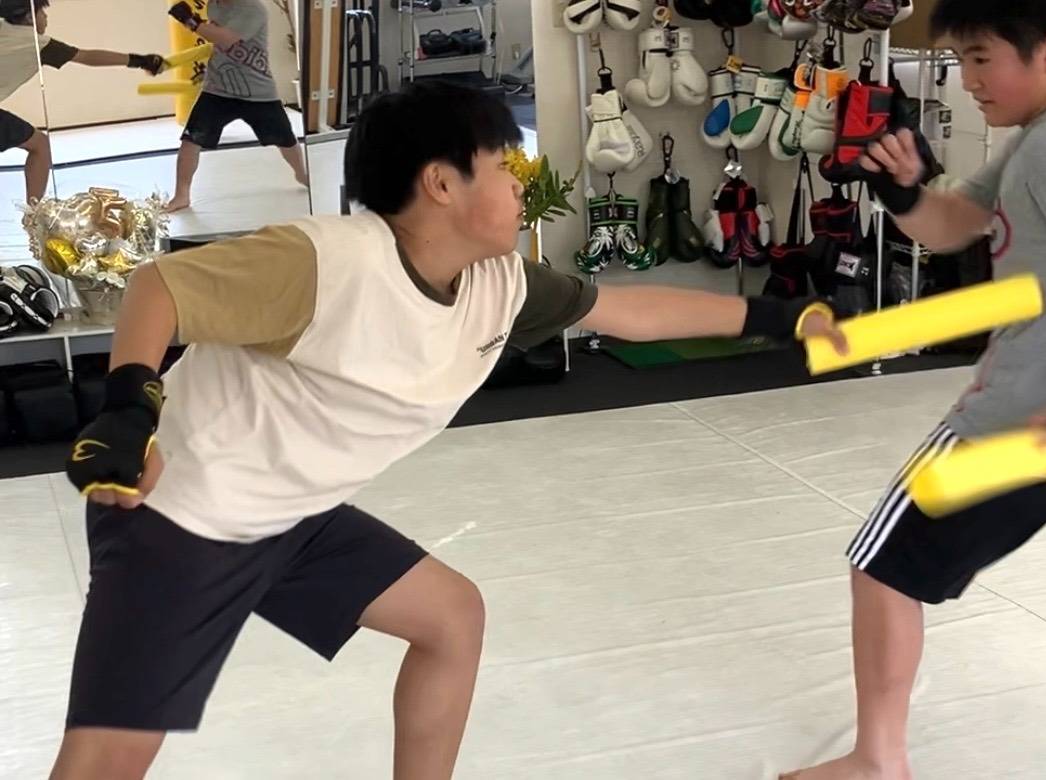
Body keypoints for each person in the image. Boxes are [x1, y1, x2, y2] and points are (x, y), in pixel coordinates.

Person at [50, 80, 846, 779]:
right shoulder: (326, 263)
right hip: (180, 515)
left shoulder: (498, 284)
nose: (521, 182)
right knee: (106, 763)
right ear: (440, 182)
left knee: (450, 618)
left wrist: (779, 318)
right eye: (504, 165)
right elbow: (161, 286)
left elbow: (631, 312)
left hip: (290, 516)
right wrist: (128, 407)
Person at [783, 1, 1046, 778]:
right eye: (960, 60)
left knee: (882, 564)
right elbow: (954, 222)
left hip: (1029, 431)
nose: (969, 80)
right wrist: (904, 188)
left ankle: (877, 763)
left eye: (982, 58)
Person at [0, 0, 163, 203]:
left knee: (39, 143)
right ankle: (33, 213)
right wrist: (140, 61)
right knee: (40, 145)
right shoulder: (38, 44)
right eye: (42, 12)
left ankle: (33, 212)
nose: (46, 17)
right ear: (29, 17)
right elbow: (88, 57)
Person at [163, 0, 308, 211]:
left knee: (285, 139)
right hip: (217, 89)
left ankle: (302, 174)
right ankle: (182, 195)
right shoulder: (215, 5)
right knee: (190, 140)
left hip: (258, 92)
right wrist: (196, 23)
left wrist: (191, 22)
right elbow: (215, 34)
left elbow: (226, 38)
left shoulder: (253, 9)